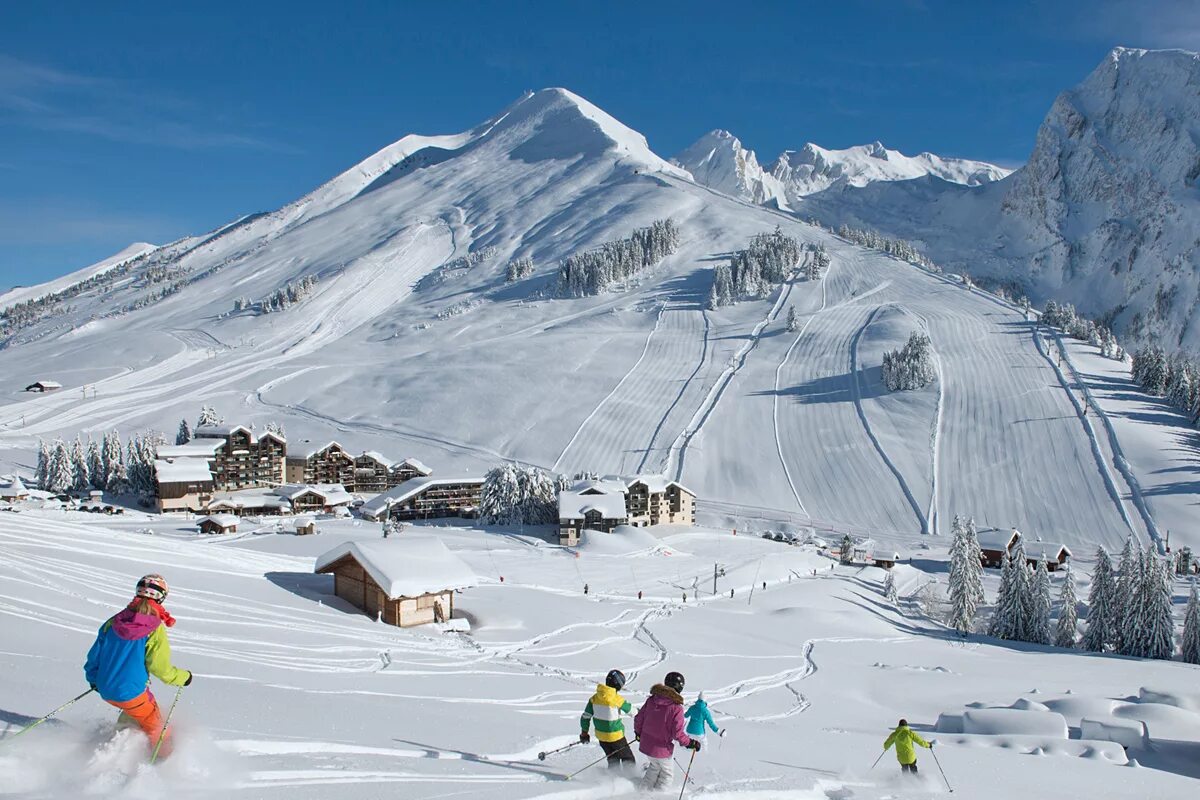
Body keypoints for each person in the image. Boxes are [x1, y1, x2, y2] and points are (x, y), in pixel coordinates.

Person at [84, 574, 192, 759]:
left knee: (134, 714)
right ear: (162, 597)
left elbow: (94, 658)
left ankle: (115, 744)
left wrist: (95, 680)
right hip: (131, 692)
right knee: (158, 727)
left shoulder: (114, 622)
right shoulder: (154, 628)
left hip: (105, 688)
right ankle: (165, 764)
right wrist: (183, 677)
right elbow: (161, 669)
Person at [634, 671, 698, 791]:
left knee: (654, 768)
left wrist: (638, 733)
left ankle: (642, 793)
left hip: (647, 745)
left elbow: (639, 718)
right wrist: (690, 743)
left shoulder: (652, 700)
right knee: (667, 775)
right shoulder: (676, 708)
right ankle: (659, 796)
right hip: (662, 749)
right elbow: (677, 733)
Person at [579, 669, 635, 769]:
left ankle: (612, 779)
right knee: (627, 758)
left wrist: (584, 733)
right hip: (616, 736)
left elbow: (585, 717)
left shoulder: (594, 698)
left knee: (613, 758)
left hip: (601, 736)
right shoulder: (616, 699)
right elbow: (633, 712)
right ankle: (630, 778)